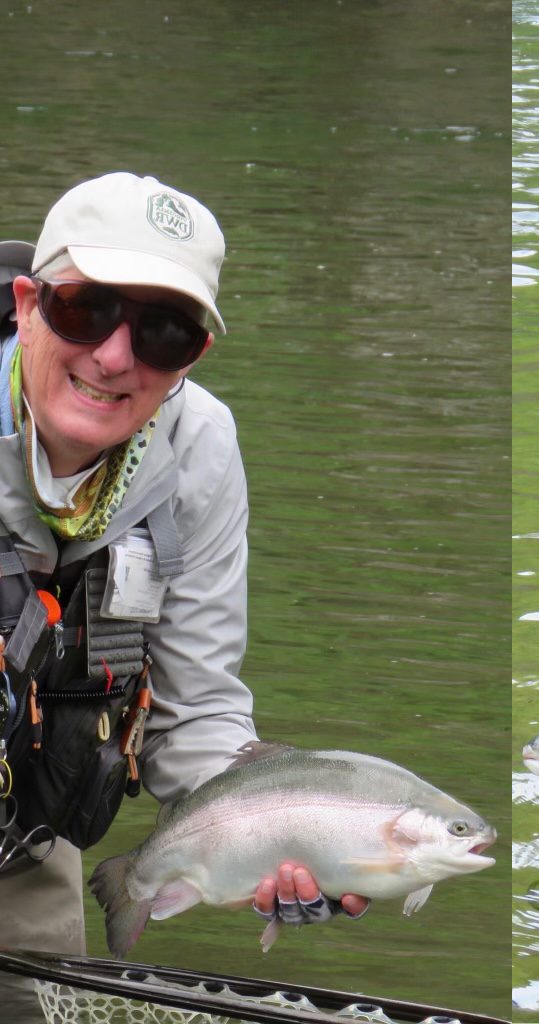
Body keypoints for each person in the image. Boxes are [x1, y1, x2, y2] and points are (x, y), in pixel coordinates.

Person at [0, 172, 367, 978]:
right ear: (28, 303)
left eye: (164, 332)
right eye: (84, 308)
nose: (115, 356)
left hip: (22, 839)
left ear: (194, 355)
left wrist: (275, 831)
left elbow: (195, 710)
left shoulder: (199, 447)